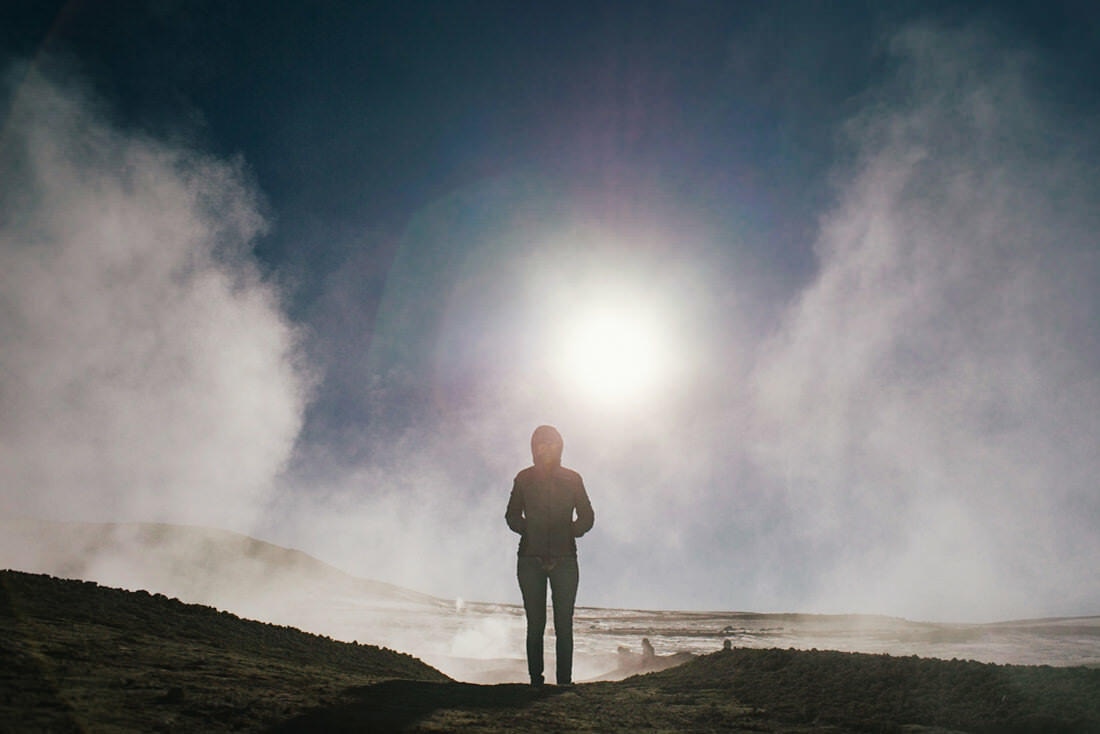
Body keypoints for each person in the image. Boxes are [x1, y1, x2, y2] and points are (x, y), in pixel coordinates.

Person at [505, 425, 595, 686]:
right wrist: (529, 531)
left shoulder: (572, 478)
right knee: (535, 624)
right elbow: (511, 515)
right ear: (534, 447)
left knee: (564, 624)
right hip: (530, 558)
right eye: (540, 443)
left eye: (551, 442)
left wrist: (570, 533)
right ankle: (536, 681)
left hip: (565, 558)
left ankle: (564, 682)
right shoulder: (524, 478)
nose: (546, 447)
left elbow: (587, 515)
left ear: (560, 446)